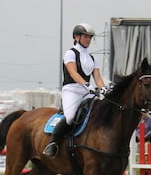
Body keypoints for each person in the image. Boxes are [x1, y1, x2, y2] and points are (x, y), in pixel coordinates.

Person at [43, 23, 105, 157]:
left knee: (98, 112)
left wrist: (103, 88)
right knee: (70, 117)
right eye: (85, 37)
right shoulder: (70, 53)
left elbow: (98, 77)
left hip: (87, 92)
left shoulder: (92, 58)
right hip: (72, 90)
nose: (88, 40)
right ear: (77, 37)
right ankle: (53, 144)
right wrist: (87, 85)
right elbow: (73, 73)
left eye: (90, 37)